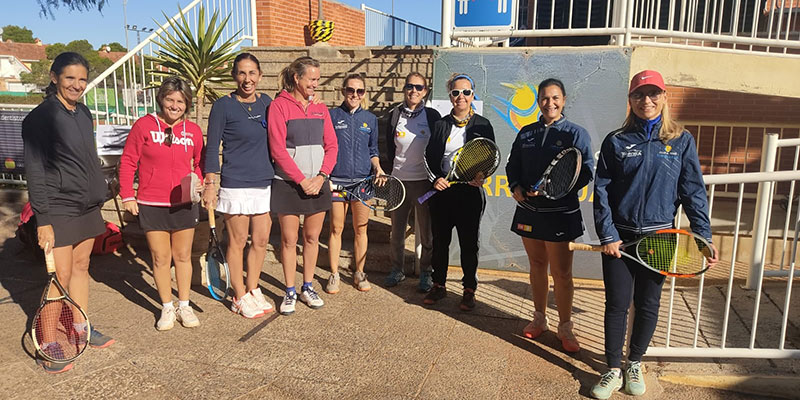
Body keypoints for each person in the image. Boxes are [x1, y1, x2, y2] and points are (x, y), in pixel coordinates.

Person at [590, 70, 718, 399]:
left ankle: (634, 362)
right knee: (617, 304)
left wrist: (703, 236)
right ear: (630, 100)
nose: (646, 101)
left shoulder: (680, 140)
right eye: (639, 95)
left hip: (660, 238)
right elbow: (602, 191)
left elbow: (693, 191)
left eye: (653, 94)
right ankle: (612, 368)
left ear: (664, 97)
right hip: (620, 239)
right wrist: (607, 235)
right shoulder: (616, 141)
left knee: (648, 304)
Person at [23, 52, 115, 373]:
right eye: (69, 78)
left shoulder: (84, 112)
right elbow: (34, 172)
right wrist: (43, 220)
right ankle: (47, 340)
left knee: (81, 267)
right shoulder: (39, 118)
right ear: (54, 77)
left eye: (82, 79)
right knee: (58, 278)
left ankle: (80, 327)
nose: (76, 85)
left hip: (87, 207)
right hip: (58, 208)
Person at [506, 78, 594, 353]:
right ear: (538, 101)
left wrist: (557, 190)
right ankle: (539, 319)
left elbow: (586, 171)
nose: (550, 103)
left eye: (555, 98)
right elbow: (513, 166)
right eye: (545, 98)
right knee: (536, 266)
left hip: (560, 214)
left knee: (562, 273)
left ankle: (565, 326)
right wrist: (516, 187)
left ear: (564, 100)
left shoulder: (576, 133)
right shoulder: (527, 133)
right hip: (529, 212)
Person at [119, 76, 204, 331]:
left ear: (187, 104)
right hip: (151, 202)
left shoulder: (194, 131)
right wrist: (127, 195)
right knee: (160, 257)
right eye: (170, 100)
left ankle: (184, 304)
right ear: (161, 100)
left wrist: (198, 182)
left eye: (180, 101)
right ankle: (167, 307)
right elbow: (127, 162)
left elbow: (200, 163)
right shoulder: (144, 126)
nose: (175, 105)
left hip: (184, 203)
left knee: (182, 257)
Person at [203, 53, 274, 318]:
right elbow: (212, 148)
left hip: (263, 182)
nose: (247, 79)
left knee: (261, 239)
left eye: (252, 73)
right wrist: (211, 182)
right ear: (234, 75)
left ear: (260, 75)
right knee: (237, 241)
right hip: (235, 183)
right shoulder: (223, 106)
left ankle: (254, 288)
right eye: (242, 73)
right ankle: (239, 294)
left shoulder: (267, 103)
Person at [268, 56, 338, 315]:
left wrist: (321, 176)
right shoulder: (278, 106)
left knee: (311, 238)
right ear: (297, 78)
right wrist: (301, 180)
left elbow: (331, 145)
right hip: (288, 183)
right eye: (311, 79)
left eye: (318, 80)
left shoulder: (321, 108)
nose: (315, 85)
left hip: (318, 182)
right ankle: (289, 290)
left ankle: (307, 287)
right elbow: (278, 148)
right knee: (288, 240)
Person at [422, 73, 494, 311]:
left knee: (468, 244)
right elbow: (429, 157)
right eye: (455, 92)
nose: (460, 97)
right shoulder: (441, 124)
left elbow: (490, 156)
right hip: (443, 193)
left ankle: (469, 289)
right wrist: (436, 179)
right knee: (440, 242)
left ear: (473, 95)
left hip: (469, 194)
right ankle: (439, 285)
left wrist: (482, 175)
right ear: (450, 96)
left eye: (465, 92)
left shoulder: (483, 124)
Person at [380, 72, 441, 292]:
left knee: (426, 230)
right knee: (396, 230)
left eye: (418, 87)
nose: (413, 91)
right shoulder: (395, 114)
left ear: (425, 91)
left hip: (424, 184)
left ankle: (426, 272)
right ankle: (397, 270)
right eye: (409, 86)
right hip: (398, 183)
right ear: (404, 89)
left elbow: (437, 148)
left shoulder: (432, 116)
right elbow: (389, 147)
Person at [325, 73, 382, 294]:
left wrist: (377, 167)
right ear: (343, 91)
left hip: (363, 182)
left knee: (361, 229)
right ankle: (334, 274)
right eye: (351, 90)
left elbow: (373, 150)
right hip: (337, 182)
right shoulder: (331, 116)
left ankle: (359, 272)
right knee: (336, 228)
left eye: (359, 91)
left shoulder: (370, 119)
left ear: (364, 94)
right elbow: (326, 148)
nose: (355, 95)